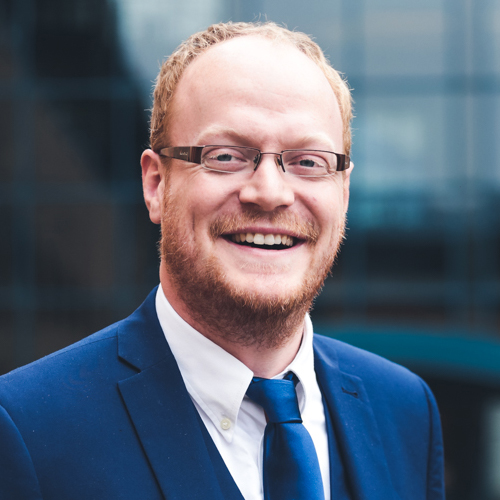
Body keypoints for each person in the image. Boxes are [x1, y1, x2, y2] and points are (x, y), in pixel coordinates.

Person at [0, 21, 444, 499]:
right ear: (156, 184)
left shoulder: (405, 410)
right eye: (227, 156)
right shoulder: (27, 430)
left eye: (307, 162)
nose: (270, 193)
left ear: (344, 190)